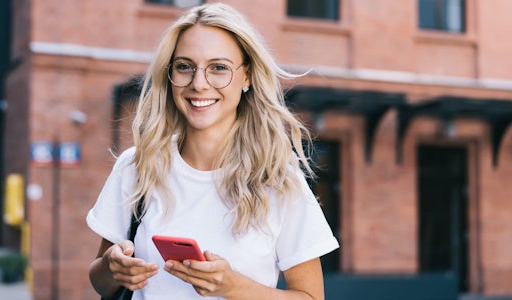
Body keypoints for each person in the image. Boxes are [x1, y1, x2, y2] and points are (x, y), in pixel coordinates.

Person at [87, 3, 339, 299]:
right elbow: (100, 281)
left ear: (247, 76)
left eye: (218, 68)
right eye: (184, 67)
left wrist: (234, 287)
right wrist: (112, 267)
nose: (199, 83)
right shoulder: (136, 166)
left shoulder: (280, 180)